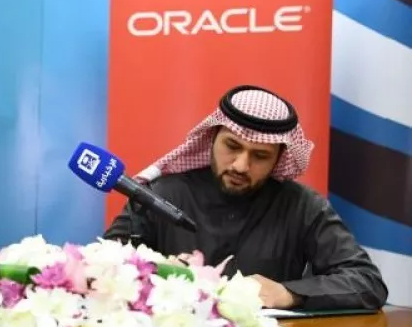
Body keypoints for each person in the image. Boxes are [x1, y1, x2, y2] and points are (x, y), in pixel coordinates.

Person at [104, 85, 388, 311]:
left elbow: (367, 282)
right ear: (212, 137)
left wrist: (289, 293)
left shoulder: (302, 206)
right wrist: (156, 270)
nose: (241, 165)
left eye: (260, 156)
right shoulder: (160, 194)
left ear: (279, 159)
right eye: (232, 146)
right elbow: (102, 267)